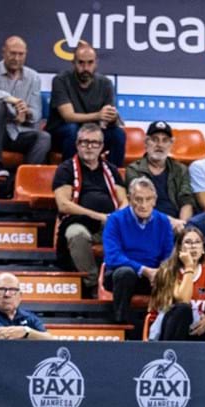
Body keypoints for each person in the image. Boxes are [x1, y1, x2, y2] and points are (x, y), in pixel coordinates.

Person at [52, 123, 126, 293]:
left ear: (101, 147)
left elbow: (124, 201)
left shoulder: (111, 170)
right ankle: (91, 282)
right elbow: (63, 205)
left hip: (109, 222)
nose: (89, 146)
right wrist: (98, 216)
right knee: (76, 234)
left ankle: (118, 280)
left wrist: (114, 218)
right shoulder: (66, 169)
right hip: (79, 222)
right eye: (84, 142)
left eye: (94, 143)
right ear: (77, 144)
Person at [102, 177, 175, 327]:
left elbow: (168, 255)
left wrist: (160, 272)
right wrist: (143, 270)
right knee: (125, 273)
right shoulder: (115, 220)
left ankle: (163, 327)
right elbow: (113, 257)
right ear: (129, 199)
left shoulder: (163, 221)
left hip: (153, 275)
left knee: (171, 275)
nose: (143, 205)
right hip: (121, 275)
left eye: (148, 199)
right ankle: (120, 325)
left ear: (155, 200)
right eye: (138, 199)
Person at [0, 35, 50, 178]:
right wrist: (12, 101)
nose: (16, 58)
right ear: (4, 52)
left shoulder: (33, 77)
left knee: (44, 137)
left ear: (26, 54)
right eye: (12, 53)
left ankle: (25, 179)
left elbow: (36, 113)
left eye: (20, 54)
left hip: (17, 133)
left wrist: (26, 113)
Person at [46, 42, 123, 165]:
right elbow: (68, 116)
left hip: (92, 133)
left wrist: (112, 117)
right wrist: (98, 115)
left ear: (96, 63)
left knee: (118, 134)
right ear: (73, 62)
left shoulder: (106, 83)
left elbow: (108, 117)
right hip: (62, 134)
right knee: (72, 130)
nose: (86, 68)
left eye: (90, 63)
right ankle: (69, 175)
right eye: (81, 63)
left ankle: (113, 178)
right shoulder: (61, 80)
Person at [147, 225, 205, 341]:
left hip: (196, 330)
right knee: (183, 310)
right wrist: (189, 266)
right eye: (188, 242)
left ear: (203, 249)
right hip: (171, 328)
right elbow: (183, 300)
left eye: (197, 242)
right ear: (180, 248)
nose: (193, 246)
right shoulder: (169, 270)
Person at [126, 120, 195, 228]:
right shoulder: (134, 169)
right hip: (146, 223)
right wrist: (170, 222)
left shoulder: (181, 169)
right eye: (155, 140)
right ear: (146, 142)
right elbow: (139, 204)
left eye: (165, 140)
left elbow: (186, 200)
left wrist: (182, 225)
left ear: (171, 144)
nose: (160, 145)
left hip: (177, 224)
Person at [0, 272, 53, 340]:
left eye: (13, 290)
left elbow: (49, 339)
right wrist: (29, 334)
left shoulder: (28, 316)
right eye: (1, 290)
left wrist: (26, 331)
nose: (7, 294)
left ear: (20, 296)